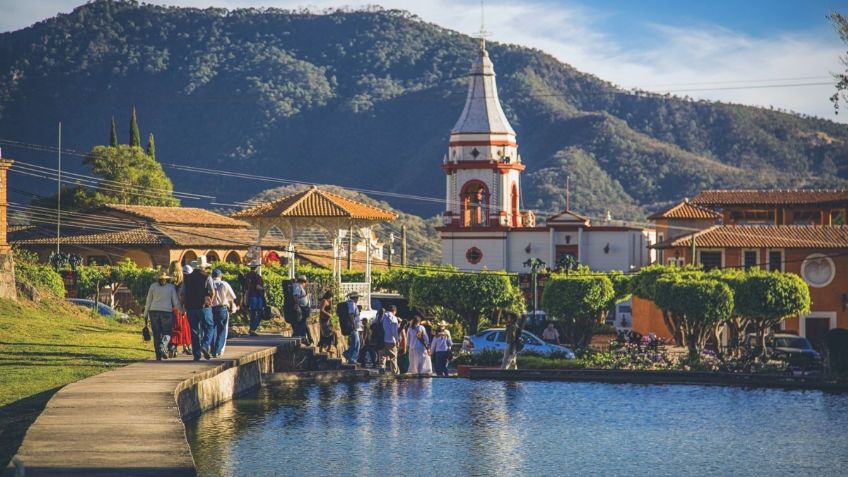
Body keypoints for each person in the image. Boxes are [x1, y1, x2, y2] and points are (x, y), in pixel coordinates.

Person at [143, 271, 182, 361]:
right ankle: (163, 347)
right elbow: (175, 302)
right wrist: (182, 311)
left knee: (156, 334)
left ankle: (158, 354)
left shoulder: (153, 286)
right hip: (166, 313)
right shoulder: (171, 287)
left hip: (154, 312)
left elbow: (148, 300)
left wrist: (145, 313)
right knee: (167, 333)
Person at [182, 260, 216, 361]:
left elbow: (183, 293)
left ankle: (196, 355)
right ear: (204, 267)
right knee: (210, 326)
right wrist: (210, 302)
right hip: (203, 307)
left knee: (194, 331)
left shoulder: (187, 278)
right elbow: (212, 291)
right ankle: (205, 345)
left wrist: (184, 306)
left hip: (190, 308)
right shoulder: (207, 276)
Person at [210, 269, 237, 358]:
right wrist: (231, 307)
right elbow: (231, 298)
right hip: (222, 308)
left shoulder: (209, 283)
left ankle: (212, 349)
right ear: (220, 276)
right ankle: (217, 351)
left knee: (211, 330)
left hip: (211, 309)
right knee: (221, 330)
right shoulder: (224, 284)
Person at [169, 263, 192, 357]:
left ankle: (172, 346)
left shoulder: (167, 280)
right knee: (181, 328)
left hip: (167, 307)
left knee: (171, 328)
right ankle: (179, 346)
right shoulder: (182, 281)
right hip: (179, 307)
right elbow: (182, 295)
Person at [242, 261, 265, 336]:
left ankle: (251, 329)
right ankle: (253, 328)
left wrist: (244, 298)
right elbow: (258, 287)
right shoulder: (257, 276)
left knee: (252, 313)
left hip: (249, 295)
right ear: (257, 268)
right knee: (260, 312)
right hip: (257, 296)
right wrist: (264, 289)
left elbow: (245, 288)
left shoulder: (246, 276)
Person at [292, 276, 314, 346]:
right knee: (302, 324)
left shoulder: (299, 287)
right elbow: (296, 296)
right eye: (305, 283)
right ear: (303, 282)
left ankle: (307, 339)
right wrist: (305, 297)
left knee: (303, 324)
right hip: (301, 308)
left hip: (304, 307)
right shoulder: (297, 286)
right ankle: (304, 338)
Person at [341, 292, 362, 365]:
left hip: (351, 326)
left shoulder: (348, 303)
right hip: (353, 327)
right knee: (357, 343)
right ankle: (352, 359)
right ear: (354, 298)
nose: (357, 299)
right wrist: (353, 325)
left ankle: (348, 354)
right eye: (357, 298)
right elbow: (351, 315)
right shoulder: (352, 304)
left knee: (354, 342)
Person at [382, 305, 400, 374]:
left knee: (383, 355)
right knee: (393, 357)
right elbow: (394, 331)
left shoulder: (382, 316)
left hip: (383, 339)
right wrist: (397, 340)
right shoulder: (393, 318)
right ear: (394, 311)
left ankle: (382, 370)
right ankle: (394, 373)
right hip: (391, 340)